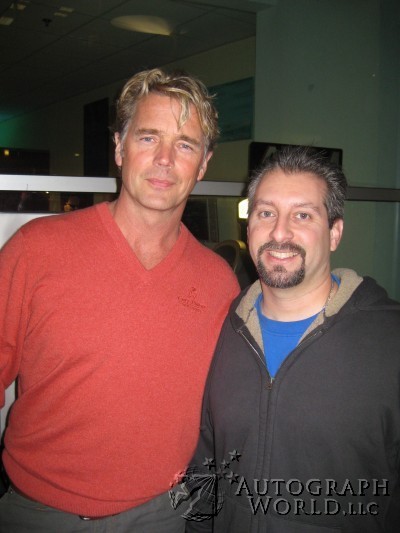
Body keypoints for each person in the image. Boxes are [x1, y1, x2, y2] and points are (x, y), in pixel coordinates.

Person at [0, 68, 240, 532]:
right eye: (149, 138)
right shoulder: (36, 250)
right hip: (39, 515)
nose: (165, 159)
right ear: (119, 147)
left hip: (161, 516)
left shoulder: (218, 283)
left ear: (203, 164)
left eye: (185, 145)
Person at [184, 146, 400, 532]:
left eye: (302, 215)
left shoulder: (390, 339)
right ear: (248, 228)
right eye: (266, 213)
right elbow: (206, 457)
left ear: (334, 233)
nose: (280, 232)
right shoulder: (225, 329)